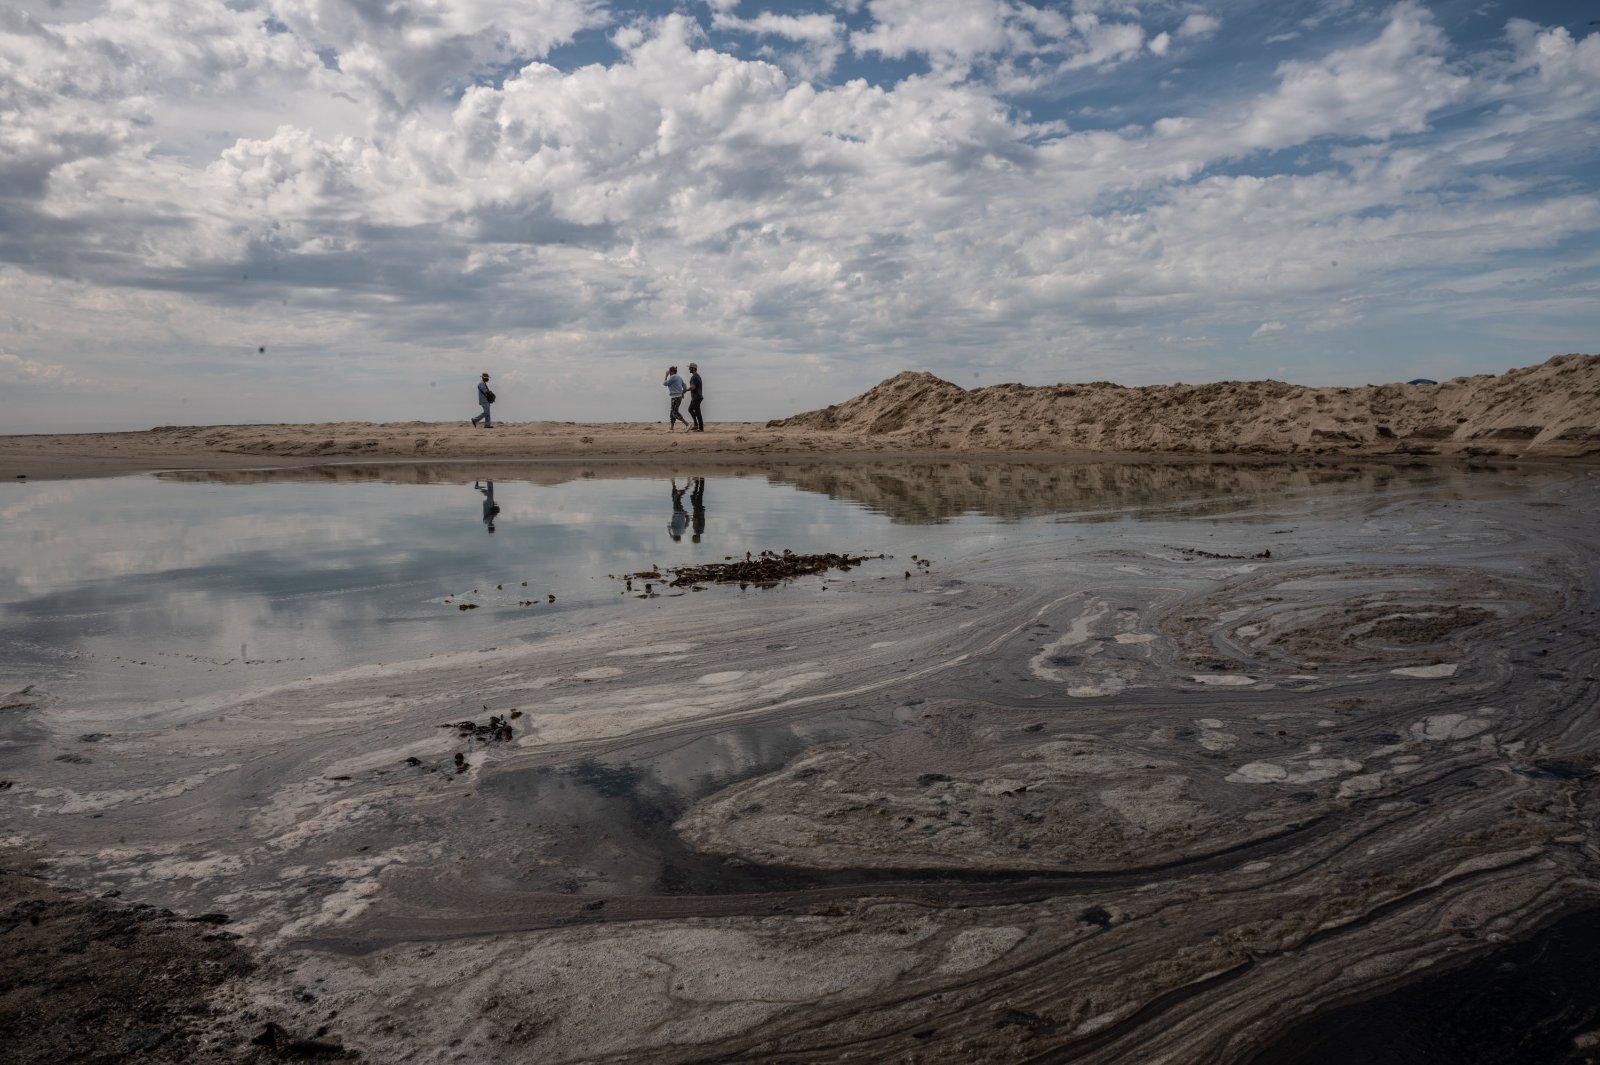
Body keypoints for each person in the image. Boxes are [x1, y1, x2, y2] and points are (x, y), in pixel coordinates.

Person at [663, 366, 689, 431]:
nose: (669, 373)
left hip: (675, 397)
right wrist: (682, 393)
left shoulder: (673, 377)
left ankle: (687, 424)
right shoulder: (679, 377)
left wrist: (666, 375)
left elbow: (665, 383)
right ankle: (671, 428)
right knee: (672, 412)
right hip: (678, 396)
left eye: (669, 371)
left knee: (674, 412)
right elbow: (684, 386)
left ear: (671, 371)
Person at [686, 362, 705, 432]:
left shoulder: (694, 377)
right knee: (690, 409)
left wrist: (685, 390)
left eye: (689, 368)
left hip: (696, 397)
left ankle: (700, 428)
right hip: (697, 397)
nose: (688, 369)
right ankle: (696, 425)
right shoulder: (697, 376)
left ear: (693, 368)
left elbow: (693, 387)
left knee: (697, 412)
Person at [689, 476, 705, 542]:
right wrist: (691, 519)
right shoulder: (696, 530)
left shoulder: (701, 531)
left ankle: (699, 481)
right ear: (694, 537)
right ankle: (700, 480)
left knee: (699, 495)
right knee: (695, 496)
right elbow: (696, 520)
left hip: (701, 511)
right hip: (697, 510)